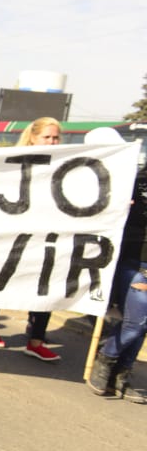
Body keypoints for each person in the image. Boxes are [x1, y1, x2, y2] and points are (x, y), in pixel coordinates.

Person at [0, 117, 61, 361]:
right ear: (33, 137)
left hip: (48, 236)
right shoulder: (13, 162)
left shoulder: (66, 165)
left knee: (45, 286)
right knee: (2, 282)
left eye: (55, 137)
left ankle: (36, 340)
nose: (52, 141)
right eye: (47, 137)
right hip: (14, 233)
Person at [87, 126, 147, 403]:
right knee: (138, 317)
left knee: (143, 322)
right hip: (129, 258)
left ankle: (122, 373)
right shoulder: (133, 181)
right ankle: (107, 358)